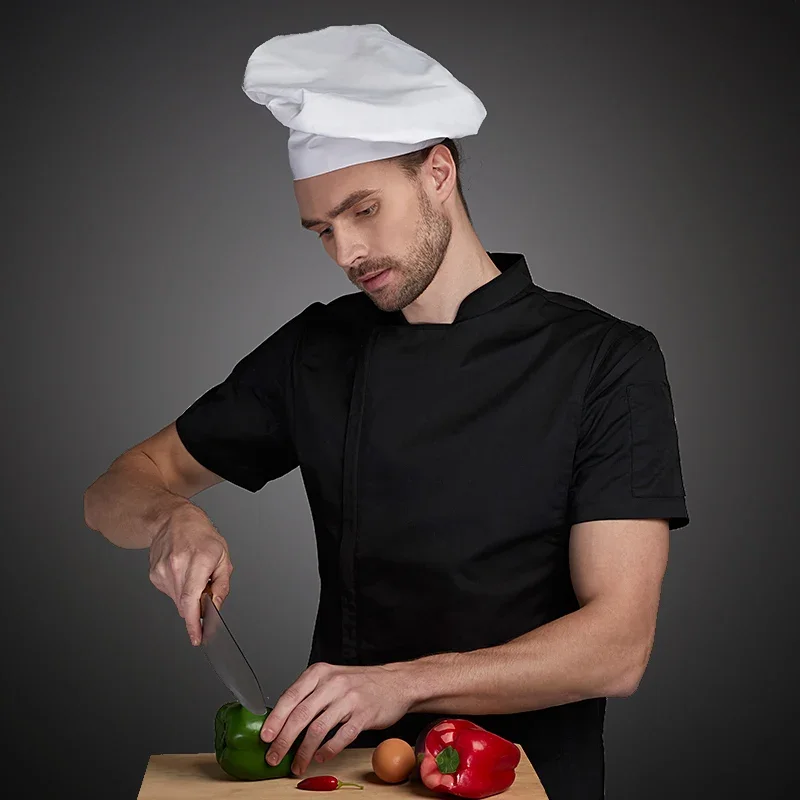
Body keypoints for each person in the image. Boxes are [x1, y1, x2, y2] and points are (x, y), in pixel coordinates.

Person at [83, 23, 689, 800]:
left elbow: (618, 646)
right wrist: (170, 517)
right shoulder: (319, 350)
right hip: (344, 778)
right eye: (323, 230)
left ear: (438, 171)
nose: (346, 253)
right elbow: (112, 489)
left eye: (363, 210)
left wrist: (400, 686)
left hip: (525, 779)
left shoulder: (605, 360)